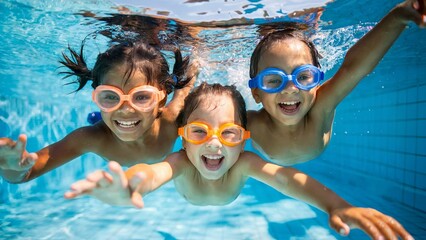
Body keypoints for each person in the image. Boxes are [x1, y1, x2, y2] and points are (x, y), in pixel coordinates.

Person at [65, 83, 413, 240]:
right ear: (183, 135)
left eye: (229, 134)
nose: (215, 146)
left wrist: (335, 205)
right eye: (200, 132)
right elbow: (153, 173)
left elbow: (284, 178)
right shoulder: (182, 161)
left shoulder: (243, 162)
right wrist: (129, 185)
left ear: (244, 137)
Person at [247, 0, 426, 165]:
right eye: (274, 80)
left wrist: (398, 17)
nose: (290, 89)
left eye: (303, 77)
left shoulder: (320, 108)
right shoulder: (250, 123)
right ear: (256, 93)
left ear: (316, 82)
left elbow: (353, 68)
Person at [0, 40, 198, 183]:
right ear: (96, 96)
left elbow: (184, 90)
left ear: (161, 99)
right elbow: (25, 174)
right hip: (105, 125)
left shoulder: (173, 119)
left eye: (142, 97)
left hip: (117, 123)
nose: (126, 109)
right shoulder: (90, 138)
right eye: (111, 96)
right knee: (99, 121)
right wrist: (12, 168)